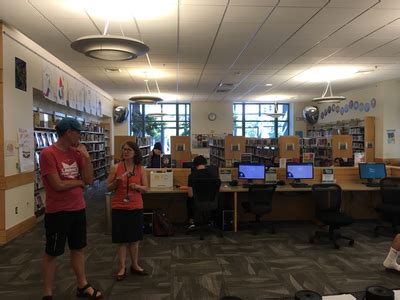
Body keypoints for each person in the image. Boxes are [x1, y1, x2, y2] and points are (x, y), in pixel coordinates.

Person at [40, 118, 102, 300]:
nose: (81, 136)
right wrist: (78, 182)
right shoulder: (48, 153)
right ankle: (47, 293)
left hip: (78, 208)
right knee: (52, 253)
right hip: (58, 211)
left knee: (78, 248)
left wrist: (87, 158)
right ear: (69, 132)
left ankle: (82, 284)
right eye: (79, 132)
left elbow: (90, 180)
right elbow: (57, 185)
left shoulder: (77, 153)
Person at [107, 141, 149, 281]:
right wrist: (116, 183)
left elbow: (146, 188)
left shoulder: (140, 169)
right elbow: (108, 188)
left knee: (135, 239)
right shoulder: (116, 167)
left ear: (135, 152)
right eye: (124, 149)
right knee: (121, 240)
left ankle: (135, 265)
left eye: (129, 150)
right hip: (119, 207)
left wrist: (137, 186)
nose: (125, 152)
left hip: (136, 206)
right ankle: (122, 267)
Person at [186, 155, 218, 227]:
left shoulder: (192, 176)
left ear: (194, 165)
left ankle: (191, 221)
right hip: (211, 202)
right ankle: (211, 221)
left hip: (197, 202)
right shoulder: (213, 175)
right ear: (205, 164)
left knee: (189, 200)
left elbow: (190, 194)